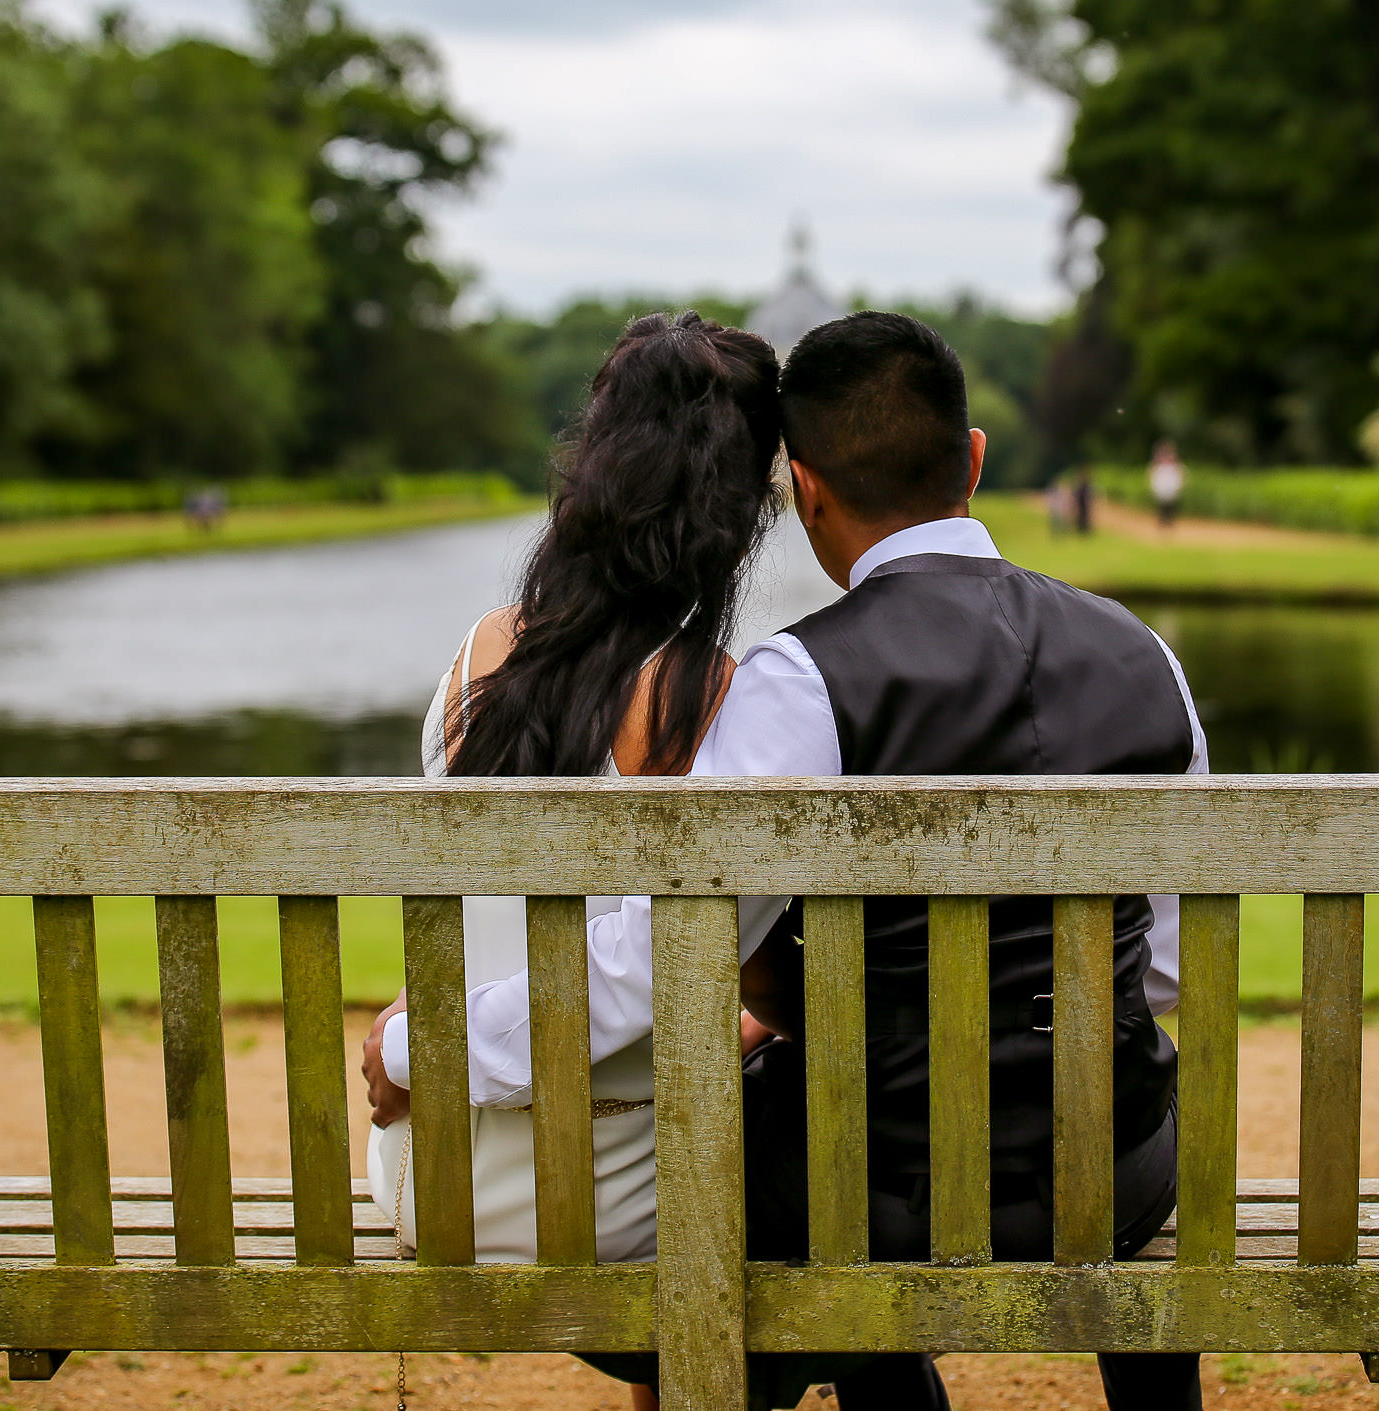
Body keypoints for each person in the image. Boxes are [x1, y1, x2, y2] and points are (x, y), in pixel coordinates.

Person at [701, 312, 1208, 1411]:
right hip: (1117, 1171)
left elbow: (691, 950)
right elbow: (1163, 970)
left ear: (803, 489)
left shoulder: (797, 681)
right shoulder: (1144, 654)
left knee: (789, 1131)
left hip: (880, 1190)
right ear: (972, 459)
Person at [358, 311, 788, 1274]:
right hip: (611, 1203)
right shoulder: (704, 696)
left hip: (430, 1181)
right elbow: (685, 967)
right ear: (738, 513)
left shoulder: (478, 653)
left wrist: (423, 1042)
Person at [1148, 440, 1185, 530]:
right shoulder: (1159, 467)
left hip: (1170, 488)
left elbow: (1180, 475)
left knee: (1170, 506)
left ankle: (1169, 522)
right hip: (1162, 488)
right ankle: (1162, 522)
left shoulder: (1174, 466)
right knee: (1162, 506)